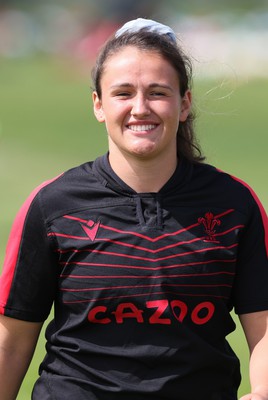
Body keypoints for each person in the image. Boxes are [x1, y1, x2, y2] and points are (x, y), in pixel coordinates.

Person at [0, 17, 267, 400]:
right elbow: (11, 341)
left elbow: (264, 327)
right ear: (98, 104)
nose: (140, 108)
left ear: (185, 102)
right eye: (123, 93)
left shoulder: (234, 203)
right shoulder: (52, 205)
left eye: (157, 92)